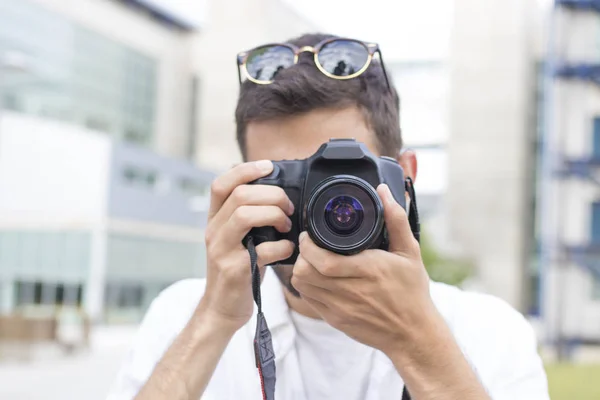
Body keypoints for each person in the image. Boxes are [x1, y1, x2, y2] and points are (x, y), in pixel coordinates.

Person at [107, 33, 549, 400]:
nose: (321, 211)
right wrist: (215, 319)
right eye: (288, 184)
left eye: (341, 180)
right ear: (243, 187)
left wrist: (420, 344)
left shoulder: (488, 330)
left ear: (406, 182)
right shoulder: (183, 316)